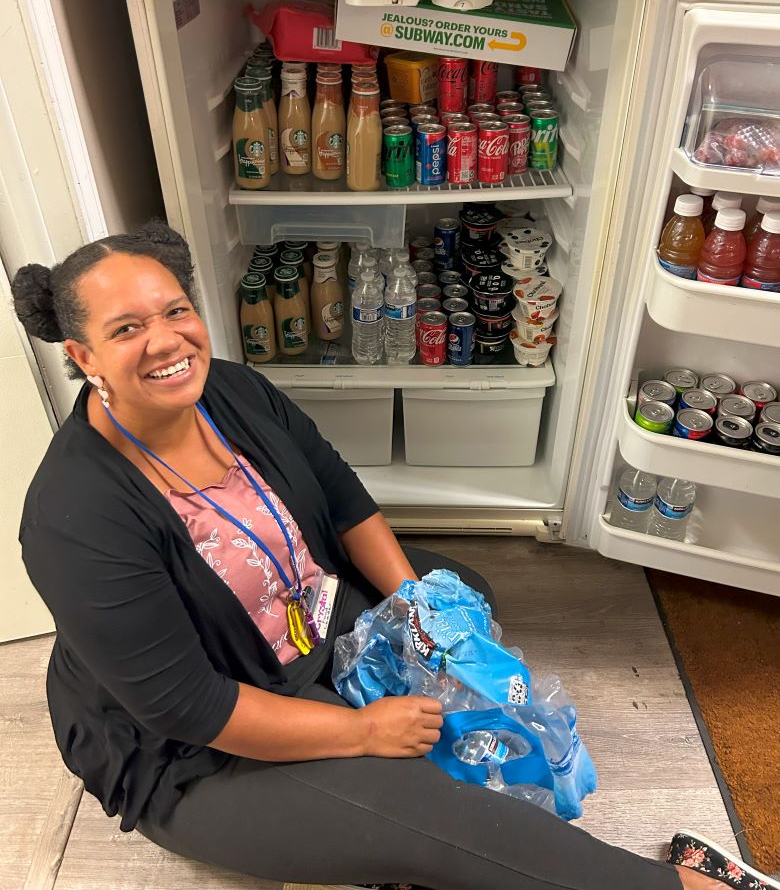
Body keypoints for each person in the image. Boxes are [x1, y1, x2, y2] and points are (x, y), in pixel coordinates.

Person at [12, 221, 775, 890]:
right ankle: (677, 888)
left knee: (460, 590)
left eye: (176, 310)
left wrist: (420, 608)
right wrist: (363, 733)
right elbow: (191, 708)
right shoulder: (77, 516)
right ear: (83, 355)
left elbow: (344, 502)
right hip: (193, 744)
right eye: (126, 329)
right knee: (426, 812)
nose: (167, 340)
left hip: (299, 623)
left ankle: (373, 822)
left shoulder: (234, 392)